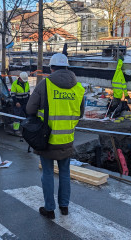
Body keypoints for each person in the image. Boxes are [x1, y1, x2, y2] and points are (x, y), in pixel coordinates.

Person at [26, 53, 85, 219]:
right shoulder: (78, 88)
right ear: (67, 67)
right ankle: (64, 207)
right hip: (67, 139)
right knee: (65, 173)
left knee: (48, 173)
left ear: (51, 68)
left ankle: (49, 209)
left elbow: (30, 109)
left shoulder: (45, 85)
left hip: (47, 139)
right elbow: (80, 113)